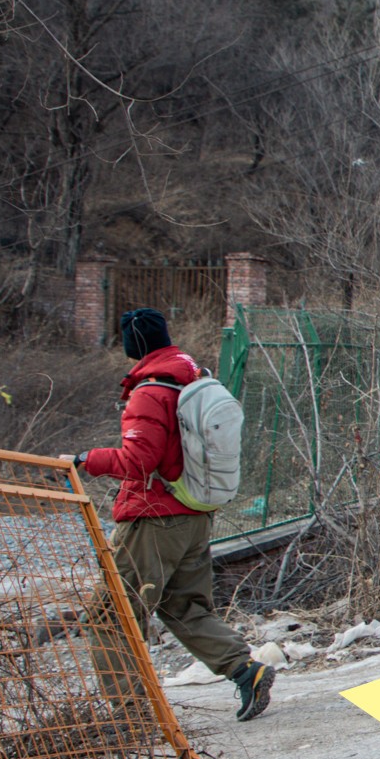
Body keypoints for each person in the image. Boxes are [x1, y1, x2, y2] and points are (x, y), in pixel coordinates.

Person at [67, 308, 273, 721]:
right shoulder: (193, 377)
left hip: (154, 518)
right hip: (194, 512)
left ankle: (131, 712)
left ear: (133, 345)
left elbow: (138, 460)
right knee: (185, 606)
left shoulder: (150, 391)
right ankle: (245, 670)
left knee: (112, 614)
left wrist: (84, 459)